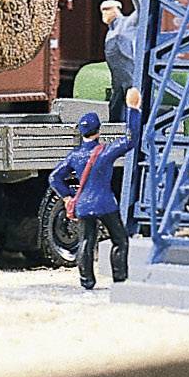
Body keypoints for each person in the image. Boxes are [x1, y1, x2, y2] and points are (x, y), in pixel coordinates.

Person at [49, 105, 139, 292]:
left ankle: (87, 281)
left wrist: (67, 197)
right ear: (99, 130)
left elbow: (54, 178)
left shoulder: (75, 156)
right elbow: (130, 140)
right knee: (120, 240)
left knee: (86, 241)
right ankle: (120, 279)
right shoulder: (105, 152)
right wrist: (133, 110)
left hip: (82, 205)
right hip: (104, 203)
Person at [97, 0, 143, 121]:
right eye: (103, 11)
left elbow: (142, 9)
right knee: (116, 103)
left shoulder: (128, 23)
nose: (104, 14)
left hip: (130, 72)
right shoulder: (109, 32)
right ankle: (114, 127)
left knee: (133, 102)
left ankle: (135, 126)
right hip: (117, 75)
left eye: (107, 10)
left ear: (115, 10)